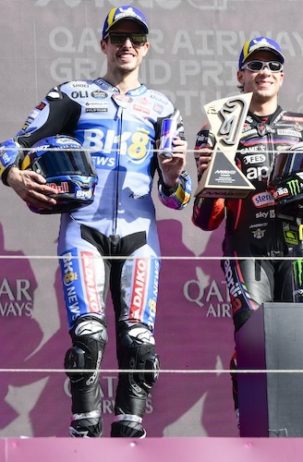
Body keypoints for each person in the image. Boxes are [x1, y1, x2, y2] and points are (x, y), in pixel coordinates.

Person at [0, 5, 191, 437]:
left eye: (135, 39)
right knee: (88, 338)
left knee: (140, 344)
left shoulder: (162, 107)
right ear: (104, 44)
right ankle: (83, 434)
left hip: (140, 235)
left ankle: (131, 435)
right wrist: (13, 177)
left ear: (146, 48)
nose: (127, 45)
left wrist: (173, 176)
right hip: (83, 229)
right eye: (118, 37)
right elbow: (13, 144)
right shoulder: (73, 95)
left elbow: (178, 197)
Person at [191, 36, 303, 420]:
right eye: (256, 65)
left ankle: (295, 431)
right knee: (253, 341)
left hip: (298, 246)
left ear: (282, 76)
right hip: (245, 247)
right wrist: (214, 177)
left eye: (273, 66)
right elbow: (205, 218)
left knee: (299, 345)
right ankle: (251, 423)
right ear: (240, 75)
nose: (265, 71)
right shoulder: (218, 127)